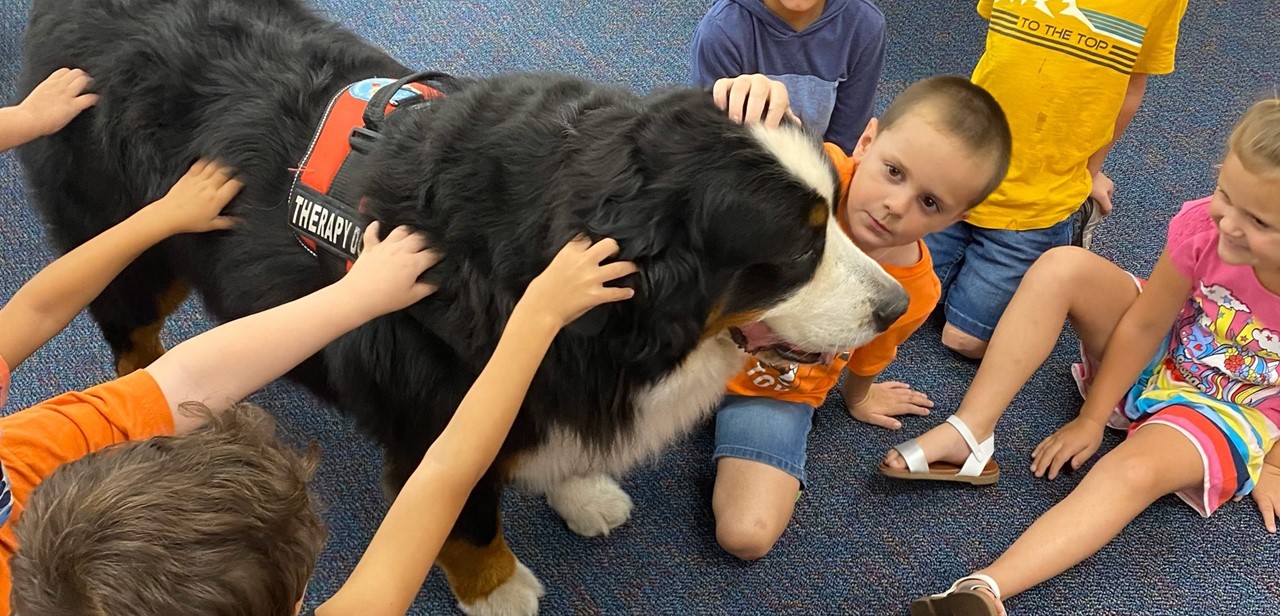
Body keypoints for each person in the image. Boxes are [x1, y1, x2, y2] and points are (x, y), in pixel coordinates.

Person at [6, 228, 637, 616]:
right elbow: (444, 473)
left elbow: (186, 380)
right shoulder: (33, 458)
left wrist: (356, 295)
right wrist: (537, 320)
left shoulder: (24, 457)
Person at [900, 99, 1280, 616]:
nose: (1228, 223)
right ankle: (971, 432)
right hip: (1168, 345)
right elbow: (1147, 321)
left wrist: (1275, 466)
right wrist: (1093, 416)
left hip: (1231, 408)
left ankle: (983, 590)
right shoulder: (1204, 228)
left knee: (1131, 473)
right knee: (1062, 267)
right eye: (1223, 194)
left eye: (1256, 218)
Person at [708, 74, 1011, 559]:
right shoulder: (811, 171)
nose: (895, 206)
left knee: (747, 535)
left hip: (775, 389)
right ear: (865, 143)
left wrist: (860, 396)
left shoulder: (913, 290)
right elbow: (725, 152)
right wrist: (755, 91)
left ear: (953, 221)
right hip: (698, 340)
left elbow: (869, 352)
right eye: (894, 171)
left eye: (929, 202)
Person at [927, 0, 1189, 360]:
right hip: (961, 176)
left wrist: (1089, 173)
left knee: (965, 341)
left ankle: (1073, 222)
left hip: (1039, 202)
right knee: (900, 303)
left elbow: (1130, 87)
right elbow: (1002, 52)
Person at [690, 0, 886, 153]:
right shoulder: (720, 32)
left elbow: (846, 144)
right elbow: (712, 148)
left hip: (821, 174)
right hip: (749, 182)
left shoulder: (864, 26)